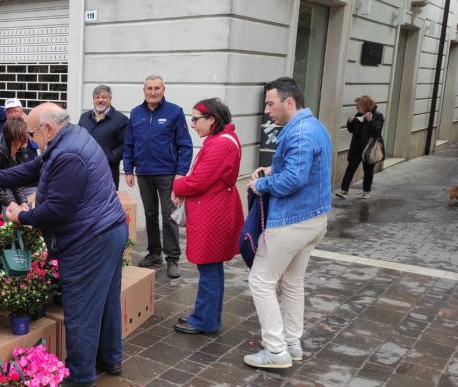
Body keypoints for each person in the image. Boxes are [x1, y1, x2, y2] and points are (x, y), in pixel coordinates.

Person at [0, 103, 127, 387]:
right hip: (107, 230)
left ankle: (81, 377)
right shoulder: (69, 137)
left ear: (48, 128)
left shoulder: (69, 154)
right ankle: (110, 360)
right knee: (107, 302)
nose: (28, 140)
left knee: (82, 310)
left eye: (31, 133)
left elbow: (55, 212)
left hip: (90, 239)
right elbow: (33, 169)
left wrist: (21, 216)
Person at [244, 77, 332, 369]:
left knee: (260, 280)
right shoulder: (313, 126)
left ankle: (276, 350)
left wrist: (262, 184)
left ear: (289, 102)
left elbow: (294, 179)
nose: (267, 110)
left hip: (292, 221)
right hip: (314, 219)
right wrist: (271, 168)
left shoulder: (298, 133)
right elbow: (305, 166)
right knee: (292, 282)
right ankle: (292, 345)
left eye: (271, 103)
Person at [170, 98, 243, 335]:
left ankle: (204, 321)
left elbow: (200, 180)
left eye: (196, 119)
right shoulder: (222, 139)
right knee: (212, 268)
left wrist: (178, 186)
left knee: (209, 269)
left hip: (213, 213)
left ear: (212, 119)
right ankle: (205, 316)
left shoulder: (220, 144)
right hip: (216, 210)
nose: (193, 124)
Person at [123, 74, 193, 278]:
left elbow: (185, 145)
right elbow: (129, 143)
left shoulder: (174, 112)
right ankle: (154, 253)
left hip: (168, 174)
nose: (153, 92)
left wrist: (181, 173)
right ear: (144, 91)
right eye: (149, 88)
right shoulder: (136, 113)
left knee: (170, 215)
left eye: (157, 88)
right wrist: (128, 169)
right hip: (143, 172)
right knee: (151, 214)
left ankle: (172, 259)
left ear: (163, 90)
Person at [78, 85, 128, 190]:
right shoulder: (84, 117)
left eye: (104, 97)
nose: (100, 100)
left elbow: (125, 145)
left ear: (110, 99)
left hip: (108, 170)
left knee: (107, 202)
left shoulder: (121, 119)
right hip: (85, 169)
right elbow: (78, 140)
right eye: (97, 97)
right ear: (93, 100)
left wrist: (109, 157)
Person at [337, 95, 383, 199]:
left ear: (365, 106)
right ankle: (344, 190)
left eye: (358, 106)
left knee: (368, 171)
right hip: (357, 147)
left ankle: (366, 191)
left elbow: (377, 133)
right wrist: (350, 122)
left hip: (369, 149)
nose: (356, 108)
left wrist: (370, 120)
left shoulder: (377, 116)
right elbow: (352, 130)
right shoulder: (358, 115)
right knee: (350, 168)